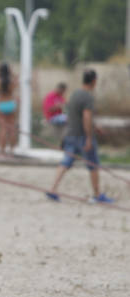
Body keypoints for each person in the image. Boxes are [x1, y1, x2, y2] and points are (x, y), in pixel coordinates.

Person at [48, 70, 113, 203]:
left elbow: (75, 116)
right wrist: (89, 137)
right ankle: (97, 195)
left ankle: (53, 189)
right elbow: (86, 117)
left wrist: (95, 127)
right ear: (94, 81)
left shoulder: (75, 94)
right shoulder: (88, 97)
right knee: (93, 165)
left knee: (65, 162)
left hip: (70, 134)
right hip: (82, 136)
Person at [0, 62, 18, 158]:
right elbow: (17, 82)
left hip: (1, 104)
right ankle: (12, 151)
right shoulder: (12, 81)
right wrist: (11, 73)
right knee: (12, 128)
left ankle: (2, 151)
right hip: (11, 103)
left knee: (3, 129)